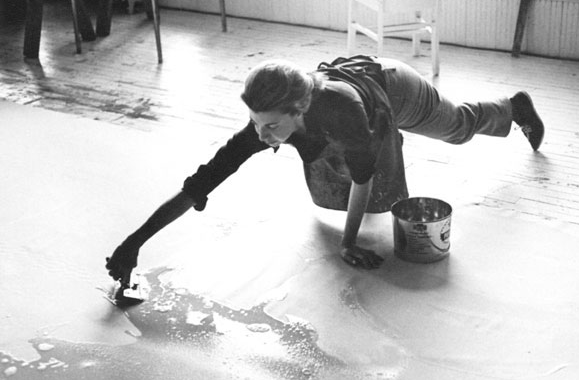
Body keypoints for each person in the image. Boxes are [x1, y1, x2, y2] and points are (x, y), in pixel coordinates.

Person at [106, 55, 544, 282]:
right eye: (256, 124)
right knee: (329, 164)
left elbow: (363, 173)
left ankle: (512, 108)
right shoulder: (269, 122)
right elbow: (202, 182)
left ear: (299, 109)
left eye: (271, 126)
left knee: (458, 129)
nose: (261, 135)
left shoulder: (340, 111)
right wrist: (134, 242)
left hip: (394, 88)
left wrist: (348, 243)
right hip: (351, 102)